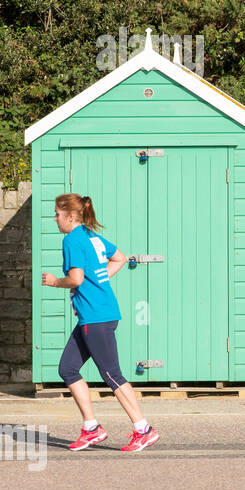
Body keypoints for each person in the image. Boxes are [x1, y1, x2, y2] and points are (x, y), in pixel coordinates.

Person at [41, 193, 160, 452]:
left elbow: (76, 279)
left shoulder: (72, 239)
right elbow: (119, 257)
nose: (55, 219)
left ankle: (144, 429)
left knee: (111, 374)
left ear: (70, 216)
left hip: (96, 317)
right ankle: (91, 428)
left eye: (57, 214)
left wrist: (54, 282)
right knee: (68, 369)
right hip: (95, 314)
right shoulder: (91, 236)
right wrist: (100, 279)